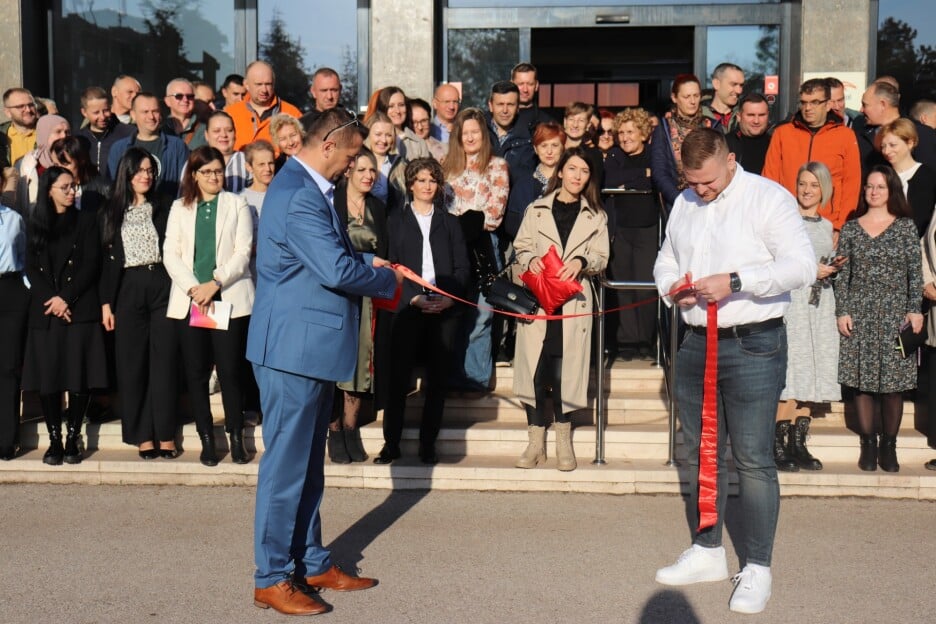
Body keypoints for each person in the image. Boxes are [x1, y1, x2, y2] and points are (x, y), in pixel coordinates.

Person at [653, 128, 815, 615]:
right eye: (691, 182)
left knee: (753, 458)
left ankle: (758, 567)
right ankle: (707, 550)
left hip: (754, 343)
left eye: (707, 182)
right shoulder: (685, 202)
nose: (700, 191)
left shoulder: (768, 198)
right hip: (695, 340)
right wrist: (672, 287)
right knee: (702, 451)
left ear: (730, 160)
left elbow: (802, 267)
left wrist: (738, 281)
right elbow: (666, 258)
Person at [246, 109, 399, 615]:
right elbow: (333, 268)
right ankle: (272, 576)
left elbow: (328, 257)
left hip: (308, 347)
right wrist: (387, 280)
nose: (355, 163)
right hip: (291, 349)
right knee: (286, 468)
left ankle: (310, 561)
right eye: (352, 154)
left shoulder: (310, 188)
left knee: (308, 467)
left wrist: (368, 262)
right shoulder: (298, 193)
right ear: (329, 145)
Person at [512, 147, 609, 471]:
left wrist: (582, 261)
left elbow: (601, 257)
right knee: (535, 370)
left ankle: (563, 441)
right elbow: (521, 246)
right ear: (561, 171)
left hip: (572, 303)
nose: (577, 176)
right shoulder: (536, 209)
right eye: (572, 169)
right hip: (539, 300)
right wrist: (530, 259)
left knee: (563, 372)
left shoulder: (596, 216)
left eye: (584, 171)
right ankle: (535, 441)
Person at [163, 146, 255, 467]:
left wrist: (214, 284)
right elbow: (170, 254)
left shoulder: (237, 203)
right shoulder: (180, 207)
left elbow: (243, 252)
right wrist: (194, 289)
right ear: (194, 175)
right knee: (197, 372)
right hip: (192, 301)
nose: (214, 177)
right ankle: (206, 438)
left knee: (230, 370)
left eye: (218, 171)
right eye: (207, 172)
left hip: (225, 298)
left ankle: (236, 436)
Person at [376, 157, 469, 465]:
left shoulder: (451, 223)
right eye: (421, 180)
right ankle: (391, 443)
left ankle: (428, 444)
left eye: (432, 180)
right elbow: (390, 267)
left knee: (437, 380)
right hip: (408, 307)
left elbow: (462, 268)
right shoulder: (394, 221)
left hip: (444, 308)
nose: (427, 186)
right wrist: (412, 298)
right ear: (411, 185)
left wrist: (450, 299)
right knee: (398, 378)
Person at [834, 165, 923, 473]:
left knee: (893, 385)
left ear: (891, 191)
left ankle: (889, 446)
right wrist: (842, 311)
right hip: (860, 314)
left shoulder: (905, 228)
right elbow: (842, 276)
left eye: (880, 187)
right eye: (870, 186)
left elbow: (915, 273)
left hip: (895, 315)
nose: (873, 192)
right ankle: (868, 445)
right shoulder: (850, 229)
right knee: (862, 383)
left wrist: (914, 309)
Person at [22, 167, 108, 466]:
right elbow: (31, 267)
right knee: (49, 378)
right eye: (65, 187)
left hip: (78, 309)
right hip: (47, 310)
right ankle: (54, 439)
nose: (72, 192)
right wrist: (52, 299)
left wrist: (65, 298)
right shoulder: (36, 223)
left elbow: (91, 264)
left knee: (78, 375)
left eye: (74, 187)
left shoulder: (86, 220)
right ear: (49, 190)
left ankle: (73, 437)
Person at [99, 147, 179, 460]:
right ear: (127, 173)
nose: (145, 176)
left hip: (161, 283)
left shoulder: (164, 205)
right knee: (133, 365)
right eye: (139, 170)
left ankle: (165, 433)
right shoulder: (110, 210)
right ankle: (143, 435)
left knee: (164, 363)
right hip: (128, 288)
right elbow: (105, 262)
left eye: (149, 170)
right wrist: (106, 303)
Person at [774, 162, 842, 473]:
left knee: (814, 369)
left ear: (823, 189)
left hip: (820, 304)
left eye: (814, 184)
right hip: (795, 303)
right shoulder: (786, 221)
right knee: (794, 370)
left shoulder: (827, 226)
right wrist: (811, 270)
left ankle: (797, 442)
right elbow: (779, 262)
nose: (807, 190)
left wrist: (832, 266)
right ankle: (777, 442)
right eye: (802, 183)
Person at [444, 107, 510, 394]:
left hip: (484, 246)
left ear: (483, 135)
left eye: (475, 132)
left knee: (482, 313)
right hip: (451, 246)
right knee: (453, 311)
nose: (470, 137)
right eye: (465, 133)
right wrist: (468, 219)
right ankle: (450, 374)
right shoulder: (445, 166)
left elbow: (494, 215)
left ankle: (475, 378)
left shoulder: (497, 166)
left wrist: (464, 220)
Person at [329, 148, 389, 464]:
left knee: (358, 364)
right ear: (349, 170)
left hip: (367, 298)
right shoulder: (331, 202)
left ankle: (351, 428)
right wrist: (365, 260)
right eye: (362, 169)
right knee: (334, 361)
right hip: (337, 294)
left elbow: (386, 252)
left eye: (372, 170)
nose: (368, 176)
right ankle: (334, 429)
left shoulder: (377, 207)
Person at [762, 78, 861, 232]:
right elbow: (769, 180)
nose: (808, 108)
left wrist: (840, 226)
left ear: (828, 105)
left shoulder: (845, 136)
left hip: (828, 223)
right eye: (804, 102)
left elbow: (852, 184)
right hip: (787, 221)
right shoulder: (782, 133)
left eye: (815, 102)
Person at [604, 107, 658, 360]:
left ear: (643, 133)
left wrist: (630, 181)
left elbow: (656, 179)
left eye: (630, 132)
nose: (625, 137)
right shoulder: (615, 154)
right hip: (621, 230)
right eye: (621, 133)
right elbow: (610, 179)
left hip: (647, 229)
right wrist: (640, 175)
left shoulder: (653, 154)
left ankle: (645, 341)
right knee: (622, 287)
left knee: (645, 287)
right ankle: (626, 342)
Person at [107, 93, 190, 202]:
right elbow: (115, 186)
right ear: (133, 115)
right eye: (145, 112)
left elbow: (186, 185)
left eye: (155, 111)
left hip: (169, 210)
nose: (151, 117)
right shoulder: (119, 149)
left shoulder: (177, 146)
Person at [650, 74, 711, 209]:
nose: (692, 101)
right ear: (674, 98)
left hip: (710, 201)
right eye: (687, 96)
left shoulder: (711, 126)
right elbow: (659, 172)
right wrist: (679, 201)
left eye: (696, 95)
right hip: (677, 203)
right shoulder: (664, 128)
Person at [856, 81, 936, 176]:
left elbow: (929, 175)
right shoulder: (860, 131)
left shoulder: (921, 133)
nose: (861, 110)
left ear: (882, 104)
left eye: (865, 105)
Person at [503, 121, 565, 241]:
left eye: (554, 145)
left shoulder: (570, 183)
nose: (549, 151)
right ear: (535, 149)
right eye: (544, 145)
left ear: (563, 148)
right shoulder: (522, 185)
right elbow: (511, 225)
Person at [0, 200, 28, 460]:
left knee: (9, 368)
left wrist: (27, 291)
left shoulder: (14, 218)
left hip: (10, 291)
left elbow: (23, 257)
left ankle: (7, 440)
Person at [877, 118, 936, 235]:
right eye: (883, 146)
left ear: (910, 143)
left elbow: (922, 218)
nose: (886, 151)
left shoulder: (926, 176)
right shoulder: (880, 176)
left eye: (893, 145)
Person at [226, 60, 302, 152]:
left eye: (268, 84)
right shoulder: (230, 114)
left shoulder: (292, 113)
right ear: (246, 84)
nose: (264, 90)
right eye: (259, 84)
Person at [14, 114, 70, 216]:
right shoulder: (25, 165)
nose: (64, 136)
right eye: (58, 132)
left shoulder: (74, 161)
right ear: (45, 134)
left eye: (67, 132)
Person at [75, 86, 134, 172]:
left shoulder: (128, 133)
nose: (102, 117)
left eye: (106, 110)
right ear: (84, 112)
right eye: (96, 112)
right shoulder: (78, 138)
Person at [365, 86, 430, 162]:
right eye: (391, 106)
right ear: (383, 108)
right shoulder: (369, 139)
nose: (397, 111)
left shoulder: (419, 144)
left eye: (401, 105)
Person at [49, 136, 110, 215]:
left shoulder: (104, 189)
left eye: (65, 164)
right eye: (56, 165)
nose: (60, 169)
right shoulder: (51, 189)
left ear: (80, 160)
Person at [486, 81, 536, 175]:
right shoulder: (477, 132)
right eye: (500, 104)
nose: (505, 110)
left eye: (510, 104)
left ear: (517, 108)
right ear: (491, 106)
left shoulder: (529, 139)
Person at [241, 139, 275, 268]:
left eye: (271, 163)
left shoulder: (283, 196)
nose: (268, 169)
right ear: (249, 167)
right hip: (250, 271)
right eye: (261, 164)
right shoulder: (240, 199)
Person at [363, 111, 404, 210]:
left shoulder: (399, 164)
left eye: (388, 135)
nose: (384, 140)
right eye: (378, 134)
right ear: (368, 134)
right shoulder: (356, 162)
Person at [725, 92, 772, 175]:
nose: (756, 121)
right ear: (739, 116)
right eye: (751, 115)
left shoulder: (775, 143)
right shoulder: (724, 144)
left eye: (761, 115)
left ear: (768, 115)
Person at [203, 110, 248, 193]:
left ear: (235, 134)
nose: (224, 135)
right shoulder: (196, 161)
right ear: (206, 135)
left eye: (229, 130)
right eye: (216, 131)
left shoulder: (247, 161)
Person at [511, 62, 554, 134]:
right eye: (520, 84)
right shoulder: (499, 118)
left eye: (530, 84)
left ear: (536, 86)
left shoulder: (547, 122)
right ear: (512, 85)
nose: (525, 90)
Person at [163, 78, 207, 148]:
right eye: (179, 96)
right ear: (167, 101)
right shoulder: (159, 129)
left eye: (190, 96)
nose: (185, 100)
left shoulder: (206, 128)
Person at [703, 63, 744, 134]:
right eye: (733, 84)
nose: (739, 91)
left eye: (741, 85)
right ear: (716, 84)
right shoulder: (697, 114)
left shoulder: (745, 115)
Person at [2, 88, 38, 166]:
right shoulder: (2, 136)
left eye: (31, 105)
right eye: (21, 106)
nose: (28, 110)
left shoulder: (49, 132)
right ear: (8, 112)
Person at [409, 98, 447, 163]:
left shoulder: (445, 148)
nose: (420, 127)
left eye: (424, 121)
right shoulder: (402, 147)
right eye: (414, 122)